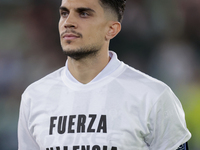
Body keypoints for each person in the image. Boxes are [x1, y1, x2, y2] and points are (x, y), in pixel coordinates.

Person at [18, 0, 191, 149]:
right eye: (64, 13)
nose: (68, 22)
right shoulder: (34, 97)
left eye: (83, 13)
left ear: (111, 29)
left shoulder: (153, 96)